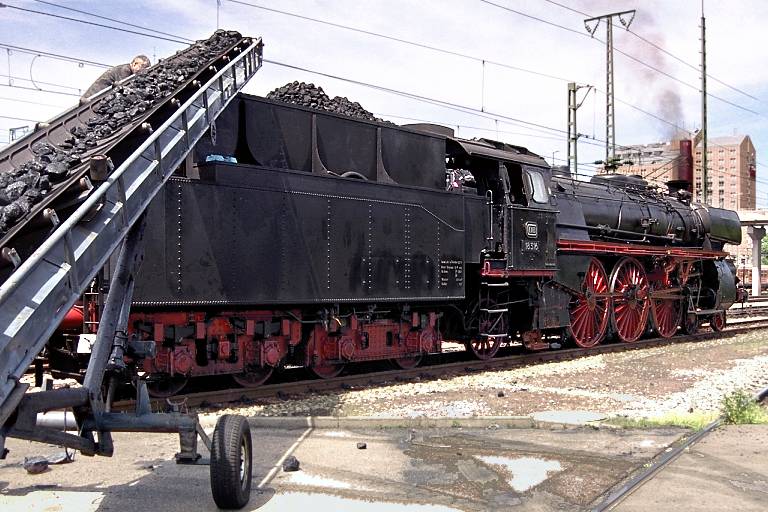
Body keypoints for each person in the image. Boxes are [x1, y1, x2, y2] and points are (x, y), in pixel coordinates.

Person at [81, 55, 151, 100]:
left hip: (95, 97)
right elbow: (123, 88)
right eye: (142, 68)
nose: (143, 72)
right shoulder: (125, 70)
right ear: (134, 64)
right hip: (92, 97)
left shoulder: (125, 69)